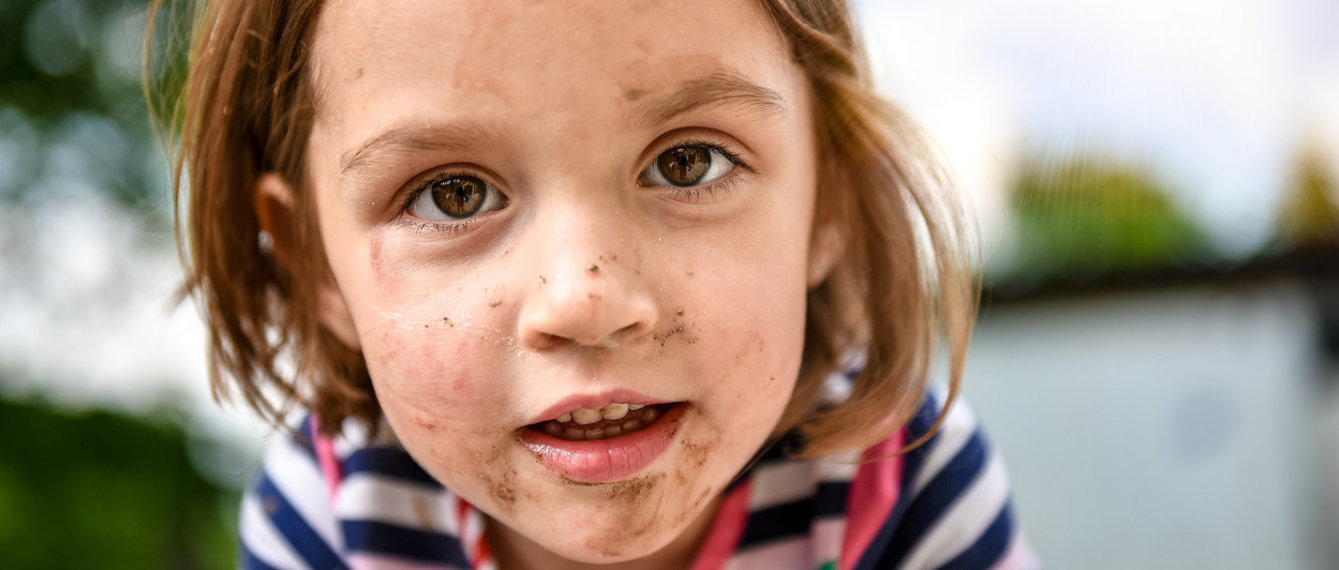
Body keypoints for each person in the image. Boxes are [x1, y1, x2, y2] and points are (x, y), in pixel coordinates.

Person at [157, 0, 1039, 567]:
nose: (585, 299)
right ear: (312, 262)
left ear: (827, 201)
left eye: (688, 163)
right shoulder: (332, 517)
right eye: (452, 193)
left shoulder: (903, 484)